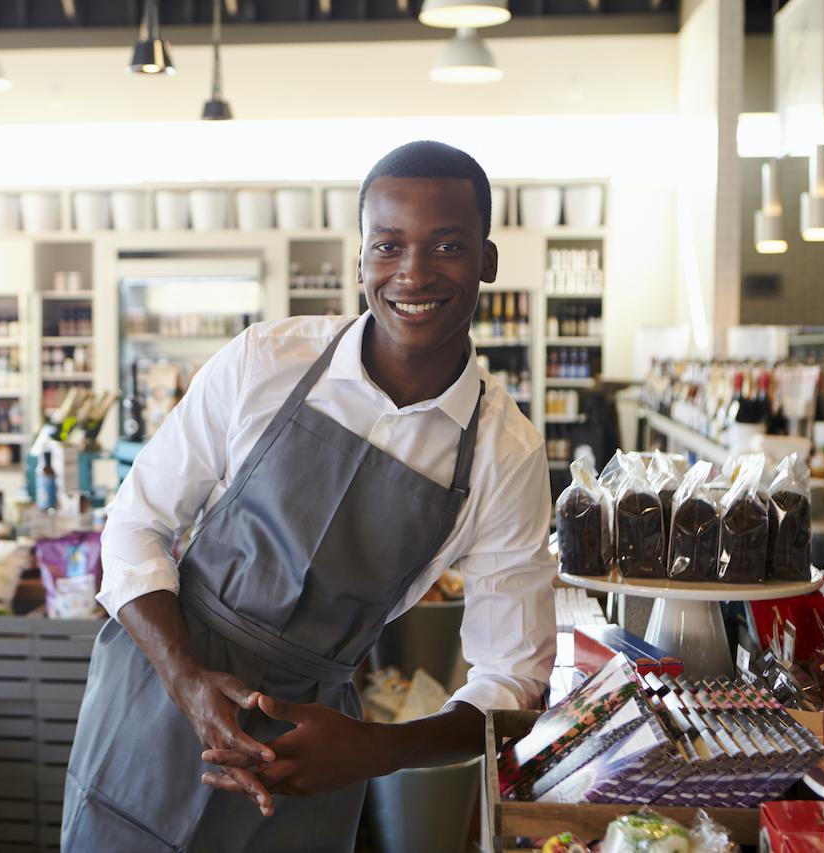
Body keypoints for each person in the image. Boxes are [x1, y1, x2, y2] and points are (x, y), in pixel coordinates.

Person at [62, 140, 557, 852]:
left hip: (315, 744)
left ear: (487, 262)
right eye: (388, 246)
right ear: (360, 261)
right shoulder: (266, 360)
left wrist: (375, 748)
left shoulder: (505, 453)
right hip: (155, 694)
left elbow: (512, 679)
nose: (412, 271)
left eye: (446, 245)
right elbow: (134, 525)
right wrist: (185, 677)